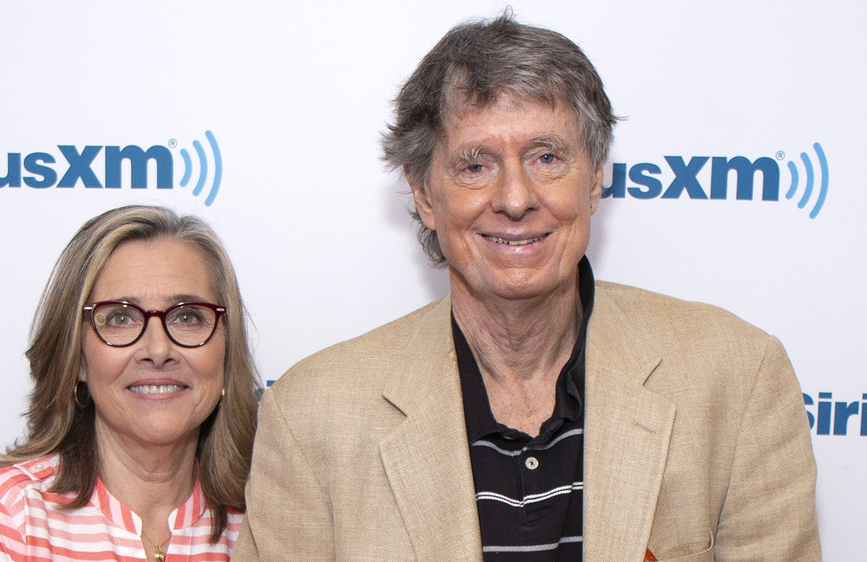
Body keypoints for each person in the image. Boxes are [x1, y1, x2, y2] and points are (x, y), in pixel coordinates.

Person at [234, 12, 820, 562]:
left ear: (594, 178)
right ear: (422, 192)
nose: (515, 199)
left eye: (546, 157)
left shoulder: (738, 377)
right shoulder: (311, 416)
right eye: (475, 164)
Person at [0, 205, 259, 561]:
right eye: (120, 318)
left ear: (227, 350)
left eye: (188, 316)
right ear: (76, 355)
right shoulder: (10, 515)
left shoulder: (264, 518)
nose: (158, 349)